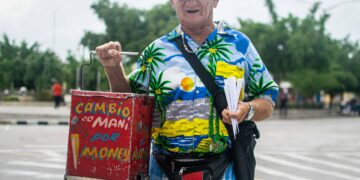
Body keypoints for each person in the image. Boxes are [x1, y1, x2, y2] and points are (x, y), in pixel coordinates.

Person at [96, 0, 278, 179]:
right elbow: (129, 102)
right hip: (163, 171)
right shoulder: (155, 52)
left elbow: (267, 100)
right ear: (172, 3)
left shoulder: (240, 46)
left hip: (224, 170)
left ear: (215, 1)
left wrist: (247, 110)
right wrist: (112, 68)